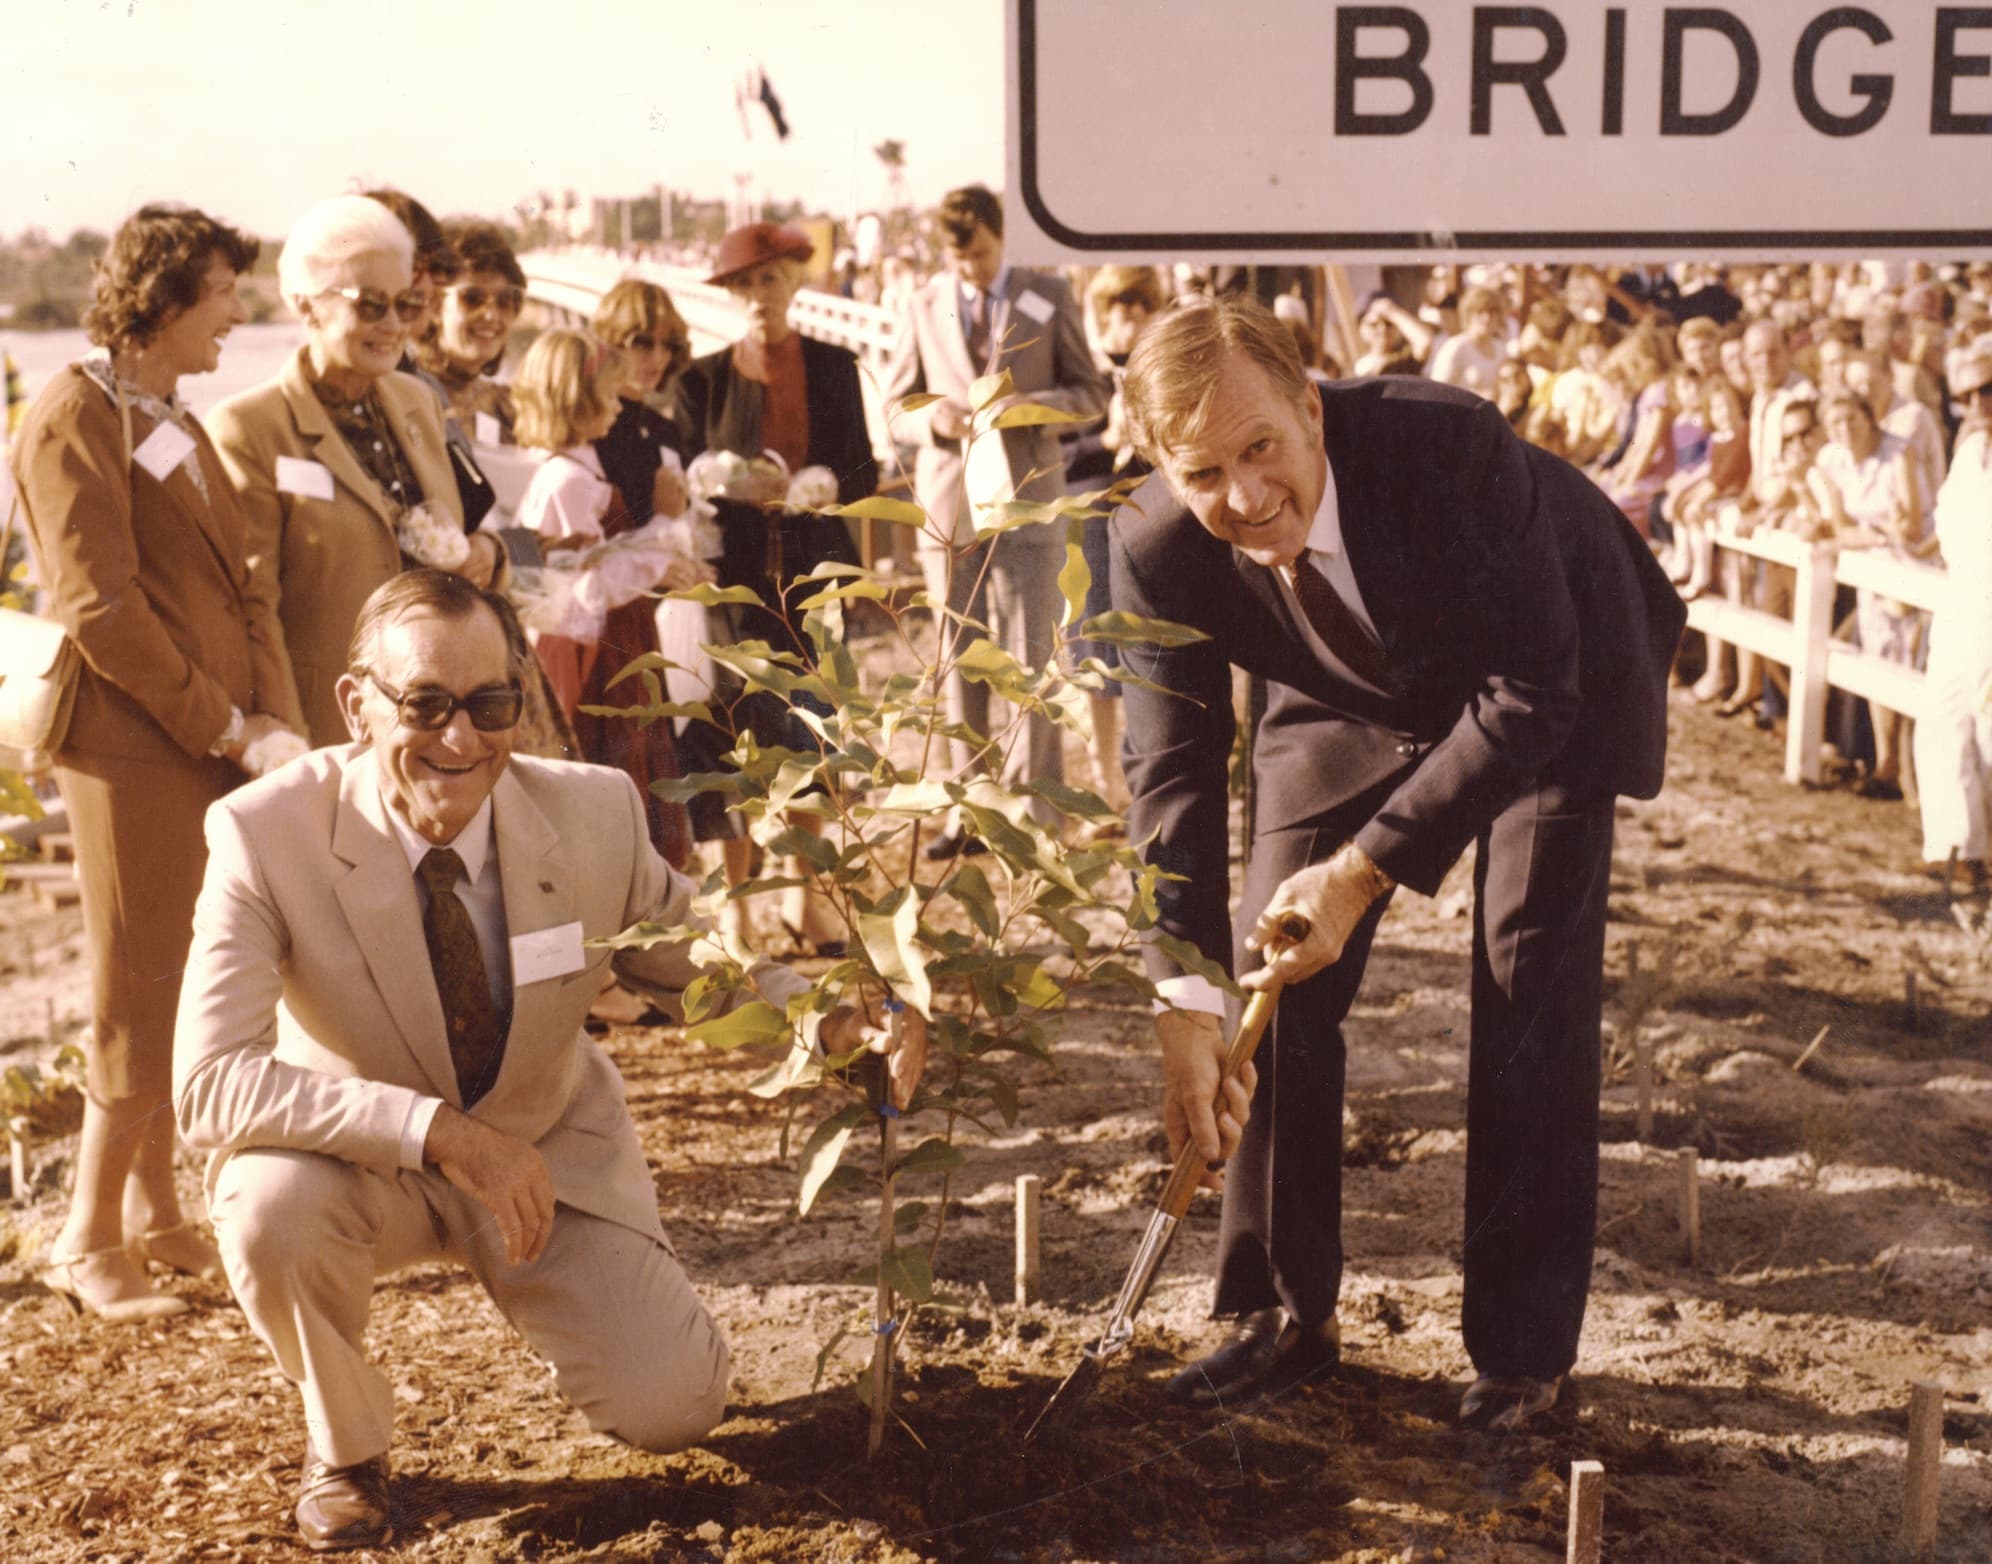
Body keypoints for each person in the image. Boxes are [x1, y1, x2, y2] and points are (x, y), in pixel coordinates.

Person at [171, 570, 925, 1550]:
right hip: (361, 1164)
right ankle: (346, 1444)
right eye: (426, 704)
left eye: (491, 705)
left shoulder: (592, 813)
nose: (461, 739)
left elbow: (699, 968)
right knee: (271, 1209)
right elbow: (208, 1082)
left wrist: (835, 1020)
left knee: (676, 1405)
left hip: (542, 1155)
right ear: (357, 705)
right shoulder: (265, 833)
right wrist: (437, 1134)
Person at [1108, 295, 1682, 1431]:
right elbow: (1169, 777)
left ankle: (1522, 1351)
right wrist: (1183, 998)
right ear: (1164, 467)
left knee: (1526, 977)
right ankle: (1282, 1313)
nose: (1242, 496)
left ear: (1309, 408)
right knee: (1273, 971)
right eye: (1204, 472)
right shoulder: (1150, 544)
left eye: (1261, 447)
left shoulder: (1452, 445)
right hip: (1341, 690)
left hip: (1546, 670)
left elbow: (1530, 692)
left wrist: (1363, 870)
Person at [10, 204, 308, 1320]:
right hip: (132, 745)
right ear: (168, 299)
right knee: (134, 984)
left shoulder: (162, 409)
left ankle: (155, 1214)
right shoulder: (71, 415)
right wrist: (223, 724)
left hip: (198, 741)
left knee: (181, 976)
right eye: (228, 293)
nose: (241, 314)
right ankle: (86, 1240)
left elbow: (236, 578)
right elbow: (99, 609)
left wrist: (266, 713)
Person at [209, 195, 502, 745]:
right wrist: (289, 745)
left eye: (408, 304)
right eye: (370, 305)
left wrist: (490, 554)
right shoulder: (249, 428)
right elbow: (255, 611)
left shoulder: (418, 400)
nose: (393, 325)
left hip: (441, 721)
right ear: (306, 305)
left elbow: (458, 532)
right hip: (331, 729)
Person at [881, 185, 1110, 855]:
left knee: (1033, 656)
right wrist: (936, 418)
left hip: (1028, 498)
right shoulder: (922, 305)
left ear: (1000, 236)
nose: (972, 270)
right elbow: (894, 405)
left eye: (980, 255)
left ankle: (1037, 813)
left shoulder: (1049, 294)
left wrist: (1029, 407)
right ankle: (970, 810)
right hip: (951, 506)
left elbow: (1092, 393)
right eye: (959, 260)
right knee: (958, 659)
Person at [675, 222, 874, 948]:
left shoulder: (833, 365)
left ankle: (805, 895)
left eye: (770, 279)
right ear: (729, 295)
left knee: (813, 728)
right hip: (733, 580)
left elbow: (861, 471)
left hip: (814, 573)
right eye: (744, 285)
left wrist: (822, 485)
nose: (759, 296)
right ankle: (733, 902)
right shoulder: (701, 377)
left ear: (796, 281)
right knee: (732, 731)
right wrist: (722, 477)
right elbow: (683, 472)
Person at [512, 328, 703, 866]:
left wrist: (654, 549)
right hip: (591, 650)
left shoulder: (574, 469)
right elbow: (584, 590)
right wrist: (664, 524)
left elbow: (597, 563)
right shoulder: (566, 480)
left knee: (632, 766)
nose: (620, 407)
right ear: (577, 398)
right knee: (604, 769)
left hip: (610, 636)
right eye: (611, 395)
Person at [1809, 388, 1933, 797]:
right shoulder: (1831, 458)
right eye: (1835, 422)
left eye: (1852, 420)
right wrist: (1873, 534)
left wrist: (1860, 536)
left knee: (1910, 664)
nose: (1844, 430)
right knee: (1878, 659)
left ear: (1870, 419)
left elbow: (1912, 528)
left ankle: (1914, 778)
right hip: (1871, 567)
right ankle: (1886, 765)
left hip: (1913, 566)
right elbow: (1836, 526)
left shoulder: (1899, 453)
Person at [1915, 342, 1992, 892]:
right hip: (1961, 603)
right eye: (1966, 395)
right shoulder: (1971, 450)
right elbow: (1947, 526)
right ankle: (1958, 850)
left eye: (1987, 391)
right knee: (1941, 724)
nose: (1977, 404)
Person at [590, 277, 694, 525]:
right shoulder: (586, 429)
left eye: (669, 345)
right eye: (643, 342)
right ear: (611, 342)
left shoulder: (665, 431)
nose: (658, 357)